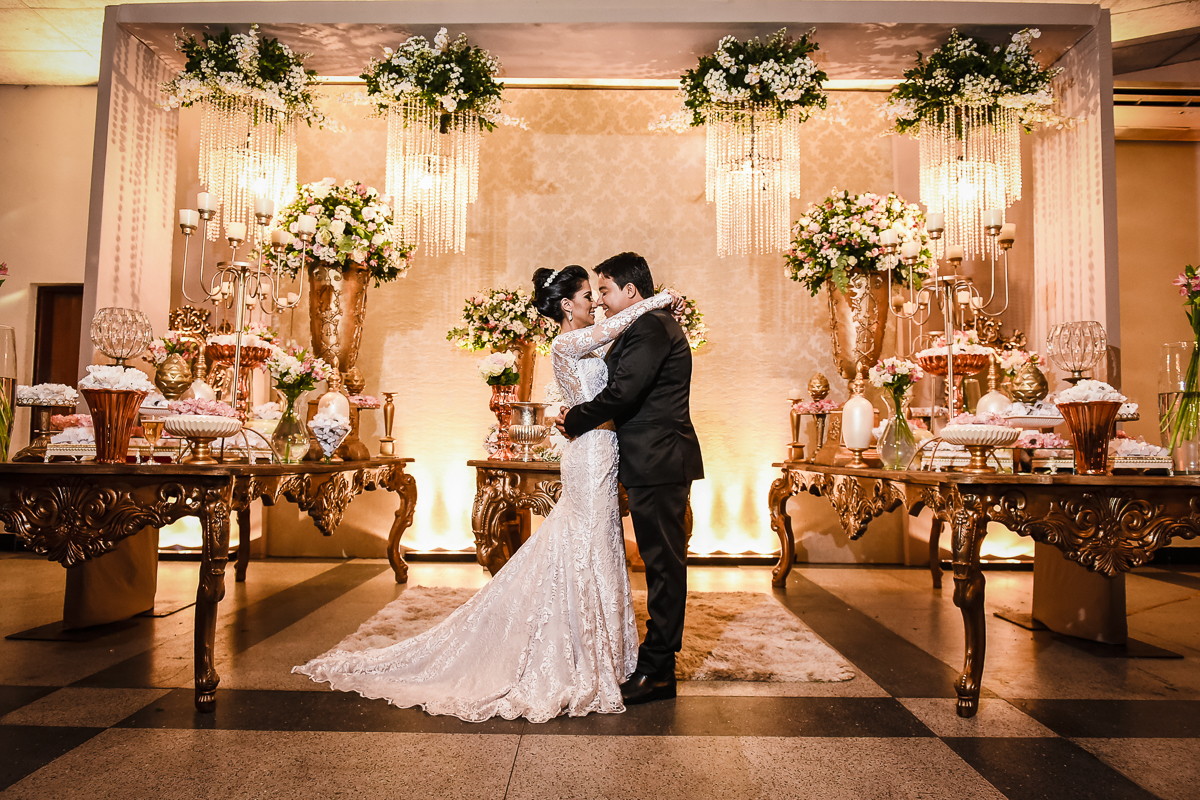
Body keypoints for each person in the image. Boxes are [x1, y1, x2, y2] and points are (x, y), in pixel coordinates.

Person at [293, 265, 680, 723]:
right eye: (585, 295)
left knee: (601, 546)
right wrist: (660, 299)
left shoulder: (593, 336)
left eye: (598, 294)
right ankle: (582, 655)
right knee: (588, 545)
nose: (595, 301)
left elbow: (620, 361)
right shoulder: (565, 342)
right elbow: (617, 327)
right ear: (565, 306)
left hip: (603, 450)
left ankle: (607, 654)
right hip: (591, 452)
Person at [559, 252, 704, 705]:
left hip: (660, 460)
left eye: (604, 290)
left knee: (663, 567)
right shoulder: (645, 324)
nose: (600, 301)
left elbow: (623, 392)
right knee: (659, 564)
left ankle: (659, 670)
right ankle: (653, 661)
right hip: (649, 461)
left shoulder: (651, 327)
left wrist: (575, 417)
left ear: (630, 291)